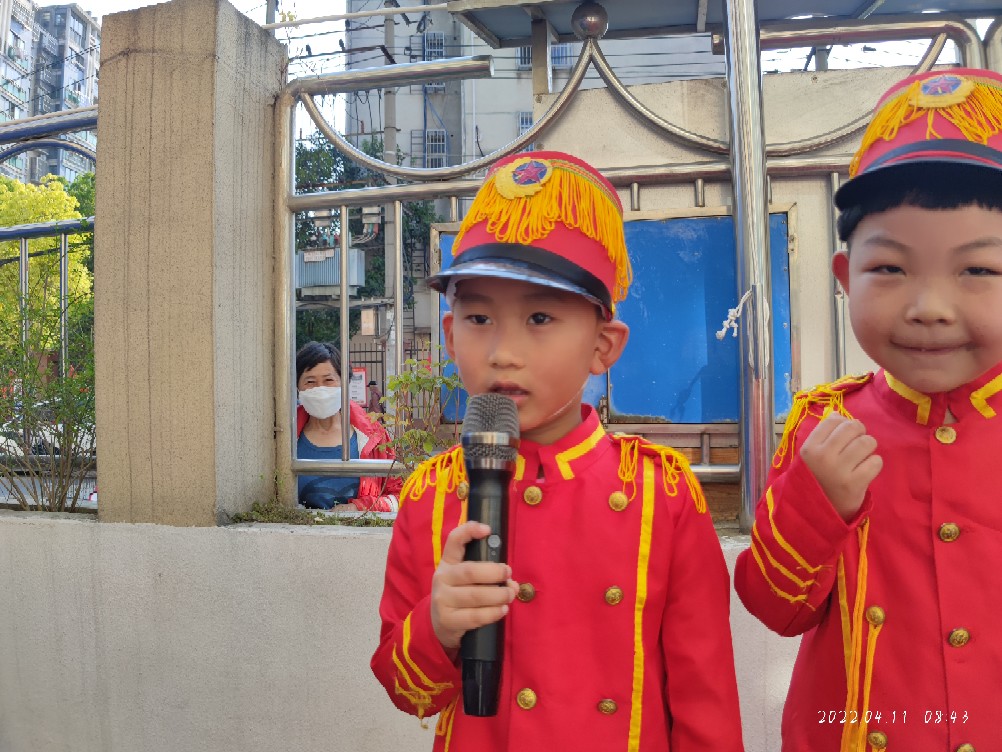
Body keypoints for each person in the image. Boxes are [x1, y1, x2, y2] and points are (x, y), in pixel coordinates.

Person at [370, 151, 744, 750]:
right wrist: (436, 628)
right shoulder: (432, 494)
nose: (503, 352)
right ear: (449, 335)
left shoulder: (663, 495)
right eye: (478, 317)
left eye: (540, 317)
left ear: (603, 345)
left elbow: (707, 703)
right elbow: (405, 690)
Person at [734, 68, 1002, 751]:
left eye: (978, 270)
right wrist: (815, 503)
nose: (929, 307)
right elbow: (774, 608)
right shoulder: (825, 427)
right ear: (844, 278)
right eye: (890, 269)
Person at [296, 341, 402, 512]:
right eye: (310, 381)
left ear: (345, 383)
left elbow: (399, 495)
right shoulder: (285, 438)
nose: (320, 389)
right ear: (297, 387)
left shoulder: (374, 437)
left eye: (328, 380)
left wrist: (359, 507)